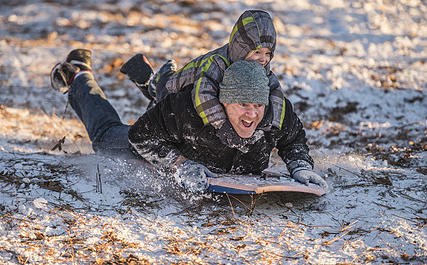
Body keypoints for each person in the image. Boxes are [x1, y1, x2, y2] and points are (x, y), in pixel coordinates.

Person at [50, 49, 329, 194]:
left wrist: (300, 165)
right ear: (224, 102)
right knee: (105, 137)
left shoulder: (274, 113)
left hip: (168, 113)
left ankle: (155, 84)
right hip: (166, 135)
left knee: (162, 104)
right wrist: (180, 164)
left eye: (258, 105)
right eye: (243, 105)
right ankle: (78, 76)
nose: (252, 114)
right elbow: (140, 137)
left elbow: (293, 138)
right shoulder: (190, 112)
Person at [121, 10, 285, 132]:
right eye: (257, 52)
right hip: (177, 89)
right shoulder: (217, 64)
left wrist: (273, 124)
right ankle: (157, 78)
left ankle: (151, 82)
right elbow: (203, 95)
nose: (263, 59)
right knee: (161, 103)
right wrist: (222, 126)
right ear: (240, 48)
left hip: (190, 93)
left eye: (267, 53)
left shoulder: (260, 68)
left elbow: (275, 90)